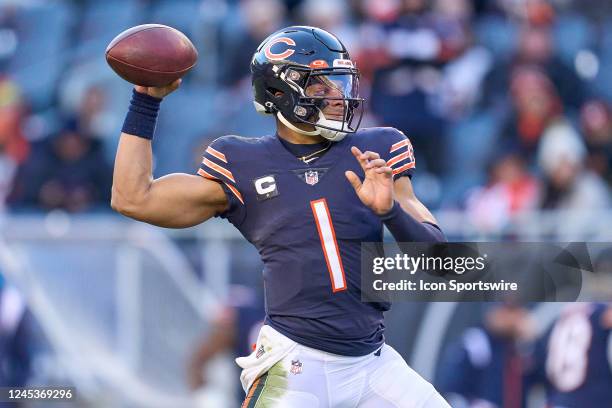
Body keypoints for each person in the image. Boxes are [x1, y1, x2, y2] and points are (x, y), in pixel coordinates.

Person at [111, 26, 448, 407]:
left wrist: (390, 212)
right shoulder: (242, 162)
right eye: (320, 87)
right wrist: (145, 103)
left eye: (339, 83)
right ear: (278, 93)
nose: (338, 96)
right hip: (295, 366)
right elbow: (133, 198)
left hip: (374, 364)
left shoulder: (378, 150)